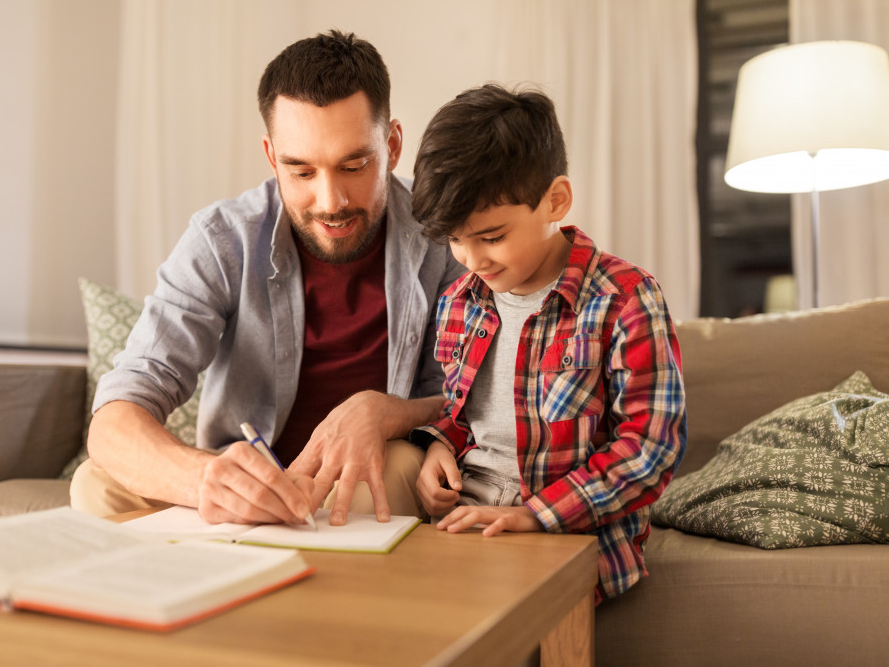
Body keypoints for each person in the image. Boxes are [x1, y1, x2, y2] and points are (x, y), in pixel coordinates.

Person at [71, 30, 466, 527]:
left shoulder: (446, 238)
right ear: (270, 155)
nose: (330, 202)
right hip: (242, 485)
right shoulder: (222, 239)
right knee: (96, 483)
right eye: (301, 172)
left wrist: (385, 411)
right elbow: (115, 416)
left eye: (353, 165)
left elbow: (467, 397)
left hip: (364, 478)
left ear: (392, 145)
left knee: (397, 470)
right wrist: (206, 480)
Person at [408, 84, 687, 602]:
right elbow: (465, 411)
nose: (472, 260)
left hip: (568, 531)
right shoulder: (459, 302)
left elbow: (649, 450)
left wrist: (534, 517)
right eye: (455, 240)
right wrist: (439, 446)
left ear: (554, 200)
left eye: (491, 237)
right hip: (462, 521)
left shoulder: (625, 299)